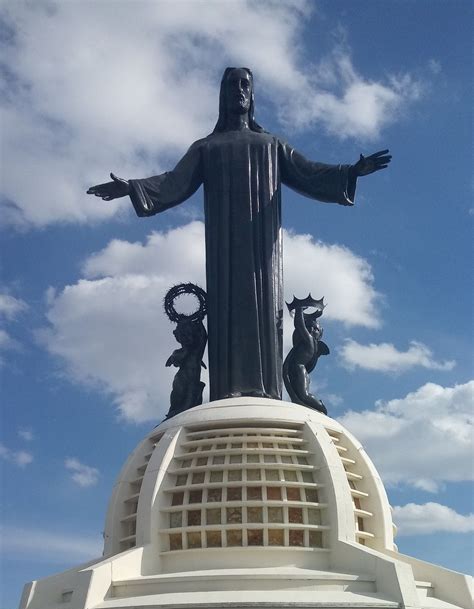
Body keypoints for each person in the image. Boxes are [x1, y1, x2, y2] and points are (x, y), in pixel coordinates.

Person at [88, 68, 390, 402]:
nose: (239, 90)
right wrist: (132, 187)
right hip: (223, 245)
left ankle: (268, 391)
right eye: (232, 85)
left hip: (263, 247)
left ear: (253, 95)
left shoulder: (271, 145)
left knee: (263, 310)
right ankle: (227, 390)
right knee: (228, 309)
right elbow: (174, 182)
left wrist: (351, 172)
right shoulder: (207, 147)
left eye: (245, 84)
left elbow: (309, 172)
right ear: (222, 94)